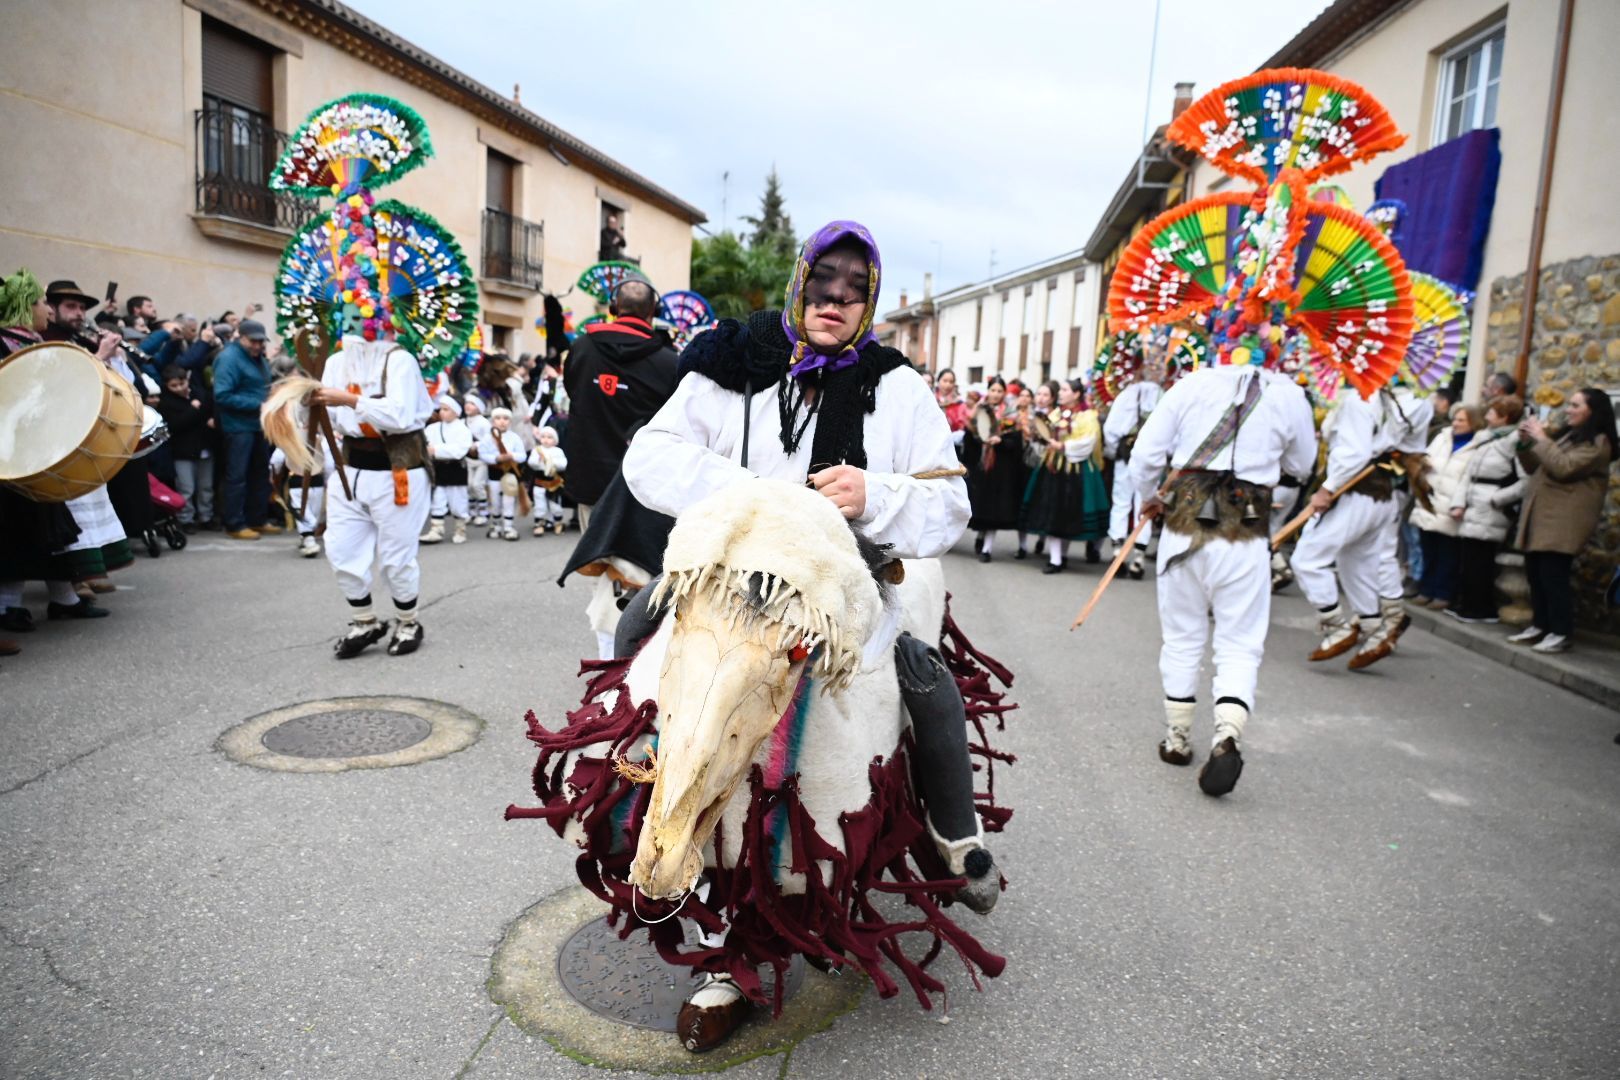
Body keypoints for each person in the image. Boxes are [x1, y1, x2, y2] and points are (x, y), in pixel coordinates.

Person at [621, 220, 993, 1050]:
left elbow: (951, 507)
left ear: (870, 301)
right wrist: (752, 494)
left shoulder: (898, 387)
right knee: (633, 636)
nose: (835, 301)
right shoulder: (731, 362)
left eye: (854, 290)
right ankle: (632, 816)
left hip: (847, 599)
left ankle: (953, 830)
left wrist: (875, 494)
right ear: (800, 284)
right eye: (823, 284)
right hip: (726, 586)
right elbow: (649, 458)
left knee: (926, 684)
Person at [1130, 357, 1316, 797]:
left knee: (1182, 633)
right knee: (1239, 640)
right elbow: (1303, 464)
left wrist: (1149, 495)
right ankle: (1227, 732)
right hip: (1246, 528)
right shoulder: (1288, 393)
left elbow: (1144, 457)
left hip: (1184, 522)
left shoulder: (1191, 385)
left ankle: (1177, 738)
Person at [309, 330, 436, 657]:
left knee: (396, 557)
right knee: (340, 548)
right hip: (349, 470)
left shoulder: (400, 360)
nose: (357, 332)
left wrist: (349, 400)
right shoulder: (336, 362)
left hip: (398, 471)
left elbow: (399, 415)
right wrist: (305, 405)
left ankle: (408, 622)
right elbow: (328, 417)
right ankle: (364, 621)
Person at [1290, 381, 1432, 669]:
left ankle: (1336, 625)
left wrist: (1327, 489)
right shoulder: (1406, 401)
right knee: (1356, 560)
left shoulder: (1360, 399)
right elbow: (1412, 448)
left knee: (1307, 559)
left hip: (1357, 490)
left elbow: (1353, 453)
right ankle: (1373, 627)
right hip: (1384, 493)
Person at [1505, 388, 1618, 654]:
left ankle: (1560, 631)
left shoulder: (1599, 443)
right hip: (1544, 515)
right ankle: (1540, 624)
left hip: (1564, 520)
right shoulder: (1570, 436)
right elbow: (1535, 466)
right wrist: (1525, 443)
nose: (1568, 409)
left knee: (1553, 577)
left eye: (1575, 405)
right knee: (1536, 574)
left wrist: (1542, 438)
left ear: (1593, 411)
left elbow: (1563, 467)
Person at [1448, 394, 1525, 623]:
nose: (1488, 415)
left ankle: (1480, 607)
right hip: (1474, 502)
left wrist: (1497, 499)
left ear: (1505, 417)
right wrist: (1459, 502)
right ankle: (1466, 603)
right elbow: (1469, 474)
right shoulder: (1485, 438)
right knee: (1469, 558)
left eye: (1493, 412)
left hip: (1491, 507)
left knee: (1481, 560)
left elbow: (1525, 481)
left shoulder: (1514, 442)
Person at [1021, 378, 1108, 574]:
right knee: (1054, 511)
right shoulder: (1055, 414)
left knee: (1069, 512)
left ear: (1076, 394)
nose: (1060, 393)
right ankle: (1056, 558)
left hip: (1076, 469)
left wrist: (1064, 446)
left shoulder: (1087, 416)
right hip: (1054, 468)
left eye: (1065, 390)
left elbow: (1089, 441)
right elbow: (1044, 434)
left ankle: (1062, 555)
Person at [1409, 403, 1483, 611]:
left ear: (1473, 423)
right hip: (1430, 499)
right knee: (1428, 549)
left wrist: (1460, 503)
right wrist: (1423, 465)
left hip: (1451, 503)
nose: (1456, 424)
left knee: (1447, 553)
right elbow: (1426, 456)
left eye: (1461, 420)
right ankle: (1426, 589)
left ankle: (1443, 593)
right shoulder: (1442, 437)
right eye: (1455, 419)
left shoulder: (1477, 446)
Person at [212, 319, 278, 540]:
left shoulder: (257, 358)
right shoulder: (229, 359)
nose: (258, 345)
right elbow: (222, 395)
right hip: (238, 426)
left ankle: (257, 519)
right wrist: (259, 405)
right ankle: (234, 523)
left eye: (261, 341)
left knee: (259, 473)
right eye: (253, 341)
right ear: (241, 337)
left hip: (258, 425)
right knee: (237, 476)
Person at [1103, 357, 1166, 580]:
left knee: (1121, 501)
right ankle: (1139, 556)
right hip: (1151, 458)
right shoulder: (1164, 396)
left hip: (1126, 454)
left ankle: (1117, 551)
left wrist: (1115, 450)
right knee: (1145, 501)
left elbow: (1111, 428)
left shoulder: (1127, 394)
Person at [963, 376, 1027, 562]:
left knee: (993, 508)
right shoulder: (978, 410)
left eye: (1000, 391)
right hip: (980, 466)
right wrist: (978, 438)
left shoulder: (1010, 414)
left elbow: (1016, 442)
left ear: (1004, 393)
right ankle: (980, 535)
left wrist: (1001, 441)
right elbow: (969, 437)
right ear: (988, 391)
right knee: (980, 506)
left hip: (1001, 468)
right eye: (993, 390)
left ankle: (987, 548)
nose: (996, 394)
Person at [153, 365, 216, 533]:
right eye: (174, 386)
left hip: (204, 446)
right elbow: (174, 425)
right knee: (186, 487)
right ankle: (186, 519)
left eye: (182, 383)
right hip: (182, 451)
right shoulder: (167, 402)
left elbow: (210, 410)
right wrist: (193, 410)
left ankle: (206, 516)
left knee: (206, 486)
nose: (180, 388)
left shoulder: (199, 393)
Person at [422, 395, 473, 545]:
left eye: (446, 409)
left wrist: (436, 450)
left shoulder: (463, 429)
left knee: (458, 500)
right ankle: (436, 529)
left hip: (456, 468)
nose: (442, 412)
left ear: (456, 412)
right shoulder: (432, 428)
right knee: (438, 499)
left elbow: (460, 450)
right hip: (439, 467)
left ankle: (460, 529)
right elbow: (425, 444)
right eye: (441, 409)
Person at [478, 407, 526, 541]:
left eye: (505, 419)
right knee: (495, 500)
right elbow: (482, 454)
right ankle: (496, 525)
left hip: (510, 473)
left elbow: (522, 456)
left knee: (508, 499)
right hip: (494, 473)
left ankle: (509, 526)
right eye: (498, 418)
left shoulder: (514, 438)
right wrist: (496, 458)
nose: (502, 422)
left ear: (510, 421)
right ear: (493, 421)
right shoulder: (487, 438)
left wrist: (512, 455)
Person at [528, 426, 568, 534]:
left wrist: (552, 462)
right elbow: (531, 463)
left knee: (555, 505)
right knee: (540, 505)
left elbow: (564, 464)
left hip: (554, 483)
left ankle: (558, 522)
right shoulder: (537, 450)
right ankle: (539, 524)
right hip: (540, 482)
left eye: (549, 437)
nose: (546, 439)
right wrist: (538, 460)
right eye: (543, 437)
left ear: (555, 440)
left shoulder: (558, 451)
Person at [462, 395, 491, 525]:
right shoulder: (462, 422)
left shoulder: (484, 422)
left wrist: (477, 445)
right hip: (468, 458)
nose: (468, 406)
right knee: (469, 485)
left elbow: (489, 439)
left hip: (481, 459)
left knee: (477, 484)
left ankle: (483, 512)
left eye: (472, 404)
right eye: (467, 403)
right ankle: (472, 511)